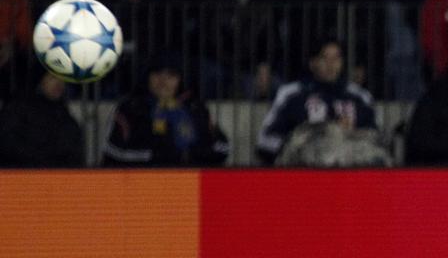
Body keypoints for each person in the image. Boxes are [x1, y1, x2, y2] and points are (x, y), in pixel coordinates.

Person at [257, 39, 378, 165]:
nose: (331, 64)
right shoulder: (292, 94)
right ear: (312, 63)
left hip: (351, 172)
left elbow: (375, 138)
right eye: (324, 58)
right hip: (304, 172)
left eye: (336, 58)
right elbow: (265, 140)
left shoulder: (359, 96)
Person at [101, 54, 230, 167]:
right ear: (147, 77)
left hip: (191, 184)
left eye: (171, 75)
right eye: (157, 73)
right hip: (139, 186)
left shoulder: (195, 108)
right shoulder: (130, 109)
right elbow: (113, 153)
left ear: (180, 79)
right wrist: (157, 155)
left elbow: (222, 148)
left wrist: (193, 153)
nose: (163, 81)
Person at [0, 68, 84, 167]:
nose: (59, 83)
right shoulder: (18, 108)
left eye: (63, 79)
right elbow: (8, 144)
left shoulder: (63, 115)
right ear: (40, 80)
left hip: (54, 177)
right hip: (19, 175)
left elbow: (72, 152)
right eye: (53, 77)